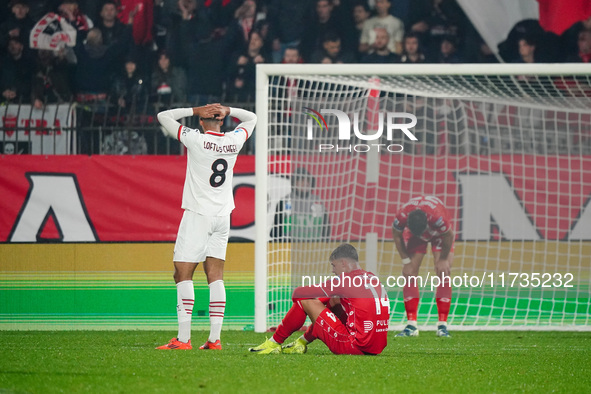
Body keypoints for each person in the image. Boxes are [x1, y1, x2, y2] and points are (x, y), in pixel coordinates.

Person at [155, 103, 257, 350]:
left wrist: (194, 109)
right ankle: (214, 339)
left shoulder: (195, 140)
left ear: (201, 121)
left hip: (198, 214)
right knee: (215, 276)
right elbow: (252, 117)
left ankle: (182, 339)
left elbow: (163, 116)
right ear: (221, 122)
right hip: (223, 216)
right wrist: (228, 109)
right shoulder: (234, 140)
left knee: (182, 274)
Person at [249, 243, 390, 355]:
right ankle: (301, 343)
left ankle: (274, 343)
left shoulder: (345, 281)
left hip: (353, 346)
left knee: (305, 301)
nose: (333, 271)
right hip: (376, 347)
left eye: (333, 266)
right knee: (335, 301)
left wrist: (313, 306)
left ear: (343, 263)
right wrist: (326, 303)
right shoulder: (373, 278)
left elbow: (298, 293)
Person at [391, 195, 454, 337]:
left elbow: (449, 235)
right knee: (409, 273)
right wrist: (405, 261)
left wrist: (443, 259)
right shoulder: (402, 215)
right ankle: (411, 325)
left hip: (440, 234)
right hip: (415, 235)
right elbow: (396, 235)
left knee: (443, 272)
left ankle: (442, 326)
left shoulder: (438, 217)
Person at [271, 167, 330, 242]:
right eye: (301, 180)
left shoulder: (318, 202)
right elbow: (277, 229)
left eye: (308, 180)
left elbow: (326, 229)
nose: (305, 183)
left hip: (314, 247)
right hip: (288, 247)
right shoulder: (284, 202)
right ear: (294, 183)